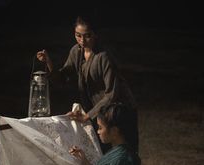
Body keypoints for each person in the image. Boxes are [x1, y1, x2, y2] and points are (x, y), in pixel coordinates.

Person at [37, 15, 139, 154]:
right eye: (78, 36)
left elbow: (112, 94)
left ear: (95, 35)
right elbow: (62, 78)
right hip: (99, 111)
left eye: (87, 36)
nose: (82, 41)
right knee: (102, 153)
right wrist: (48, 62)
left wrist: (88, 115)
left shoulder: (104, 57)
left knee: (126, 153)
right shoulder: (76, 51)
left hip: (120, 110)